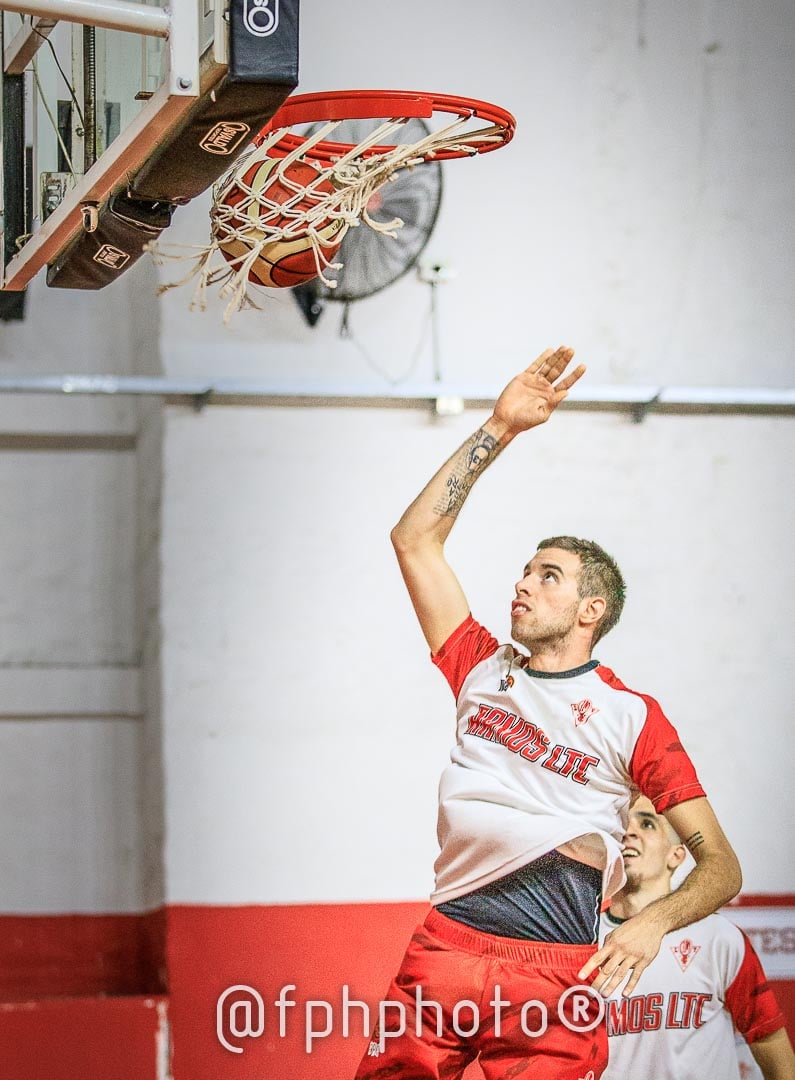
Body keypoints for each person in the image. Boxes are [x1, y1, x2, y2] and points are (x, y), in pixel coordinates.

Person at [353, 346, 742, 1080]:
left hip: (553, 971)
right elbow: (413, 541)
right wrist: (499, 425)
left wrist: (650, 925)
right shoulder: (478, 664)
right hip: (445, 943)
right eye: (526, 570)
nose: (522, 584)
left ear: (590, 610)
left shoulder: (632, 717)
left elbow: (720, 867)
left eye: (547, 575)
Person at [601, 797, 795, 1079]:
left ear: (676, 856)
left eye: (647, 823)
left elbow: (770, 1042)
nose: (629, 832)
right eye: (621, 825)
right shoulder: (578, 940)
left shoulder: (718, 938)